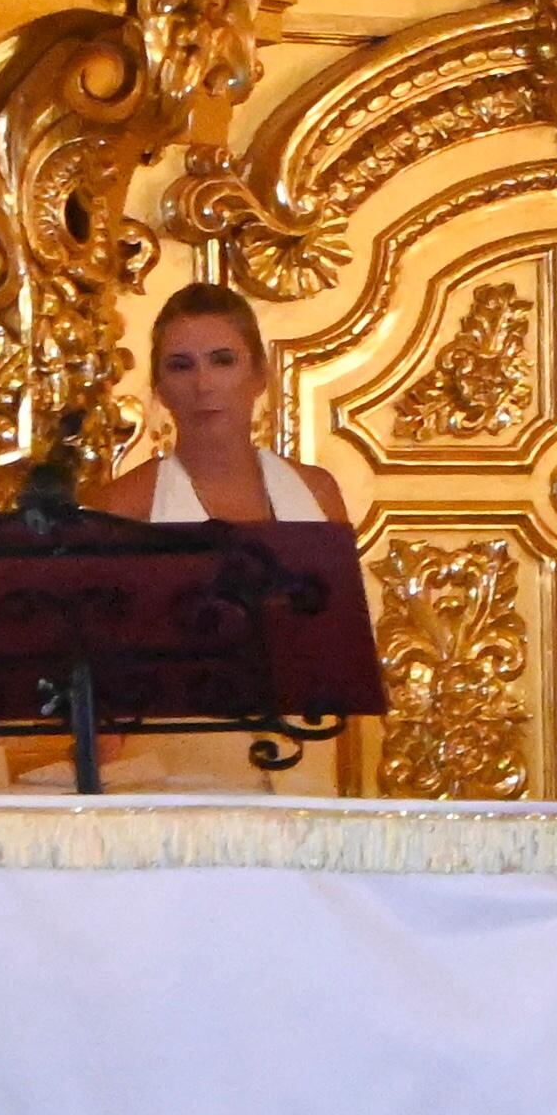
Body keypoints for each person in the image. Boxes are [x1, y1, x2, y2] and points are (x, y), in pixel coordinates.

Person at [78, 284, 354, 793]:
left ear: (258, 376)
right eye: (181, 365)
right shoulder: (120, 506)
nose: (203, 383)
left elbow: (345, 656)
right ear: (159, 386)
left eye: (222, 360)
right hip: (175, 779)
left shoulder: (317, 493)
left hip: (307, 773)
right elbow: (98, 682)